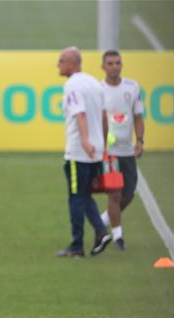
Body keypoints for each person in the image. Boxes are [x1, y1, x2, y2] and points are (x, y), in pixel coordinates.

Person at [55, 46, 112, 258]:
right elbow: (105, 117)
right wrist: (102, 145)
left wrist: (86, 141)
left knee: (76, 197)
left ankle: (77, 246)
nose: (58, 65)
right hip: (96, 150)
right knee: (85, 195)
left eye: (61, 61)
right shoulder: (95, 84)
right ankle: (100, 232)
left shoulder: (72, 85)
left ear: (72, 63)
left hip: (79, 151)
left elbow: (80, 115)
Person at [97, 49, 145, 251]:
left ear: (122, 65)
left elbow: (138, 116)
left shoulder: (132, 87)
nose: (114, 66)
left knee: (128, 195)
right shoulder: (98, 90)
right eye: (110, 63)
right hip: (109, 152)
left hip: (127, 151)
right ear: (103, 67)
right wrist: (102, 147)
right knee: (114, 195)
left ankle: (101, 221)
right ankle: (118, 238)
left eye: (117, 63)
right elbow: (98, 120)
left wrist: (140, 140)